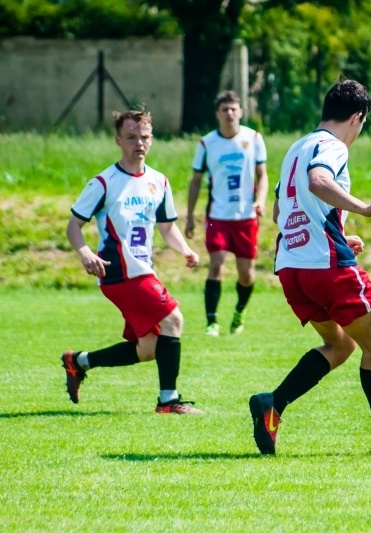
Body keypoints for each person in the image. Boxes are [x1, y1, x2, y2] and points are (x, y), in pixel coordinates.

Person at [248, 79, 371, 455]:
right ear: (357, 117)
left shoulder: (296, 148)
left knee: (340, 343)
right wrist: (364, 208)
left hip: (292, 267)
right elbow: (319, 182)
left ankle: (273, 403)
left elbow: (278, 212)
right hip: (326, 267)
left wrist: (332, 232)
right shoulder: (331, 146)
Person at [61, 110, 204, 415]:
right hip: (118, 271)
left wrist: (185, 250)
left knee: (152, 346)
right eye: (131, 137)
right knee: (174, 320)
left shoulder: (158, 181)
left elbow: (167, 227)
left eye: (145, 137)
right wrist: (85, 251)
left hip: (141, 270)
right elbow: (73, 225)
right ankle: (168, 401)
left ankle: (79, 362)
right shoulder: (104, 182)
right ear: (118, 140)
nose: (139, 143)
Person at [185, 90, 269, 336]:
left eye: (234, 109)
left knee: (246, 274)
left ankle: (239, 312)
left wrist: (260, 200)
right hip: (218, 217)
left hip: (246, 218)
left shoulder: (253, 138)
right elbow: (196, 181)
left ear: (241, 112)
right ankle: (212, 322)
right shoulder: (206, 143)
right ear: (217, 114)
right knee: (217, 265)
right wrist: (190, 216)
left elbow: (262, 176)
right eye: (225, 109)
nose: (230, 113)